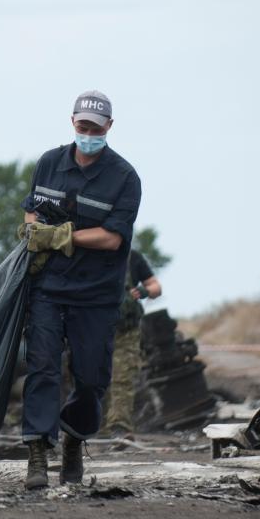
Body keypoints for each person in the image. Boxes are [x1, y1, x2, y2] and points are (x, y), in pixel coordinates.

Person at [18, 89, 141, 490]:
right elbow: (31, 210)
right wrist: (34, 230)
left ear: (108, 127)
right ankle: (38, 452)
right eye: (82, 125)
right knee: (42, 368)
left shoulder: (124, 178)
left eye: (95, 127)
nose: (88, 133)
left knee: (91, 380)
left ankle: (73, 438)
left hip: (96, 294)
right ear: (73, 122)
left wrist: (62, 236)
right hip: (49, 288)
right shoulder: (49, 163)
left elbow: (112, 239)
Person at [100, 249, 162, 438]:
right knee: (92, 377)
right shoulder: (87, 253)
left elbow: (156, 287)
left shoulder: (132, 257)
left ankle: (119, 427)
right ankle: (94, 426)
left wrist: (144, 291)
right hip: (93, 328)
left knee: (123, 378)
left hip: (125, 329)